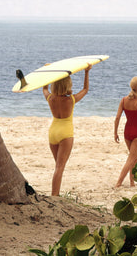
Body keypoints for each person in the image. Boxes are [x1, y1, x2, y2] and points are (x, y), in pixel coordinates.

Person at [42, 65, 91, 196]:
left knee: (58, 166)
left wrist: (48, 71)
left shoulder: (50, 98)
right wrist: (86, 72)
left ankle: (55, 194)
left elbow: (45, 88)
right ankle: (55, 196)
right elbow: (85, 89)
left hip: (53, 132)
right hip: (65, 133)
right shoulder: (71, 99)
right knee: (60, 167)